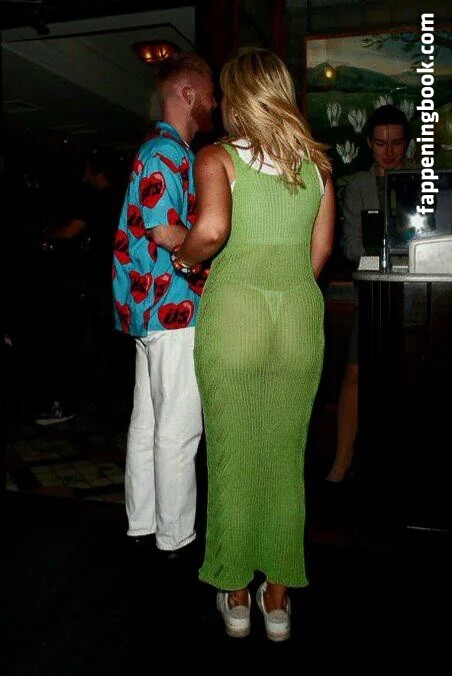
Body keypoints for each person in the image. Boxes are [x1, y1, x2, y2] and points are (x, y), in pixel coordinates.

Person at [171, 49, 335, 641]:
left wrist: (184, 258)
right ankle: (280, 600)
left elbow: (212, 230)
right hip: (296, 318)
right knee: (286, 458)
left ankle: (236, 593)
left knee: (232, 454)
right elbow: (319, 254)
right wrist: (284, 288)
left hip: (235, 314)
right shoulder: (317, 165)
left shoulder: (217, 157)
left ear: (236, 97)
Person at [112, 53, 216, 557]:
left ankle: (143, 524)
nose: (215, 103)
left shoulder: (162, 149)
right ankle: (175, 538)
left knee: (149, 423)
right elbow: (163, 230)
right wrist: (214, 263)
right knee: (178, 429)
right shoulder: (166, 152)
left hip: (151, 306)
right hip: (172, 305)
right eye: (210, 94)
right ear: (188, 95)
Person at [325, 104, 413, 483]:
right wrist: (384, 259)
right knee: (355, 373)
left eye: (395, 143)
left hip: (416, 292)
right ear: (368, 143)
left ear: (407, 143)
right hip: (374, 291)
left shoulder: (422, 180)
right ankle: (342, 460)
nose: (389, 151)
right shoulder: (357, 187)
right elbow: (349, 245)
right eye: (381, 144)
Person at [35, 147, 125, 424]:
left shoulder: (98, 200)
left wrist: (49, 234)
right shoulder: (121, 197)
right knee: (111, 336)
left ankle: (94, 397)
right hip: (118, 274)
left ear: (94, 171)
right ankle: (112, 396)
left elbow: (71, 230)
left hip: (100, 277)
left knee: (94, 336)